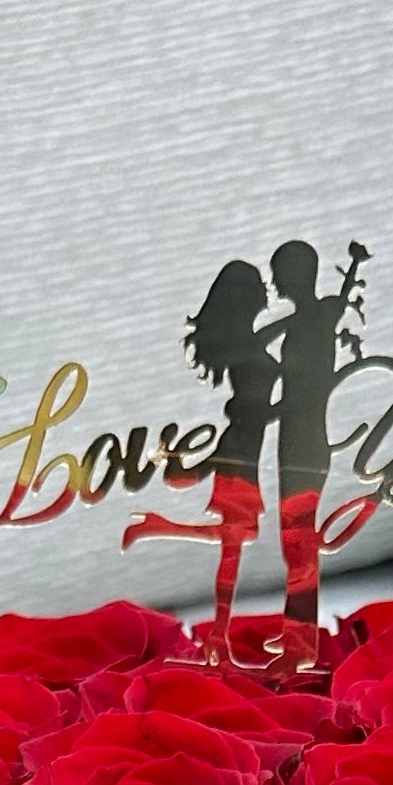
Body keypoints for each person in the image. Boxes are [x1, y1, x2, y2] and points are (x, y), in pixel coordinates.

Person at [122, 257, 278, 640]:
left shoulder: (250, 343)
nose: (266, 290)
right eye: (258, 285)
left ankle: (158, 526)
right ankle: (219, 635)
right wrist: (289, 408)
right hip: (240, 448)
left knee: (238, 538)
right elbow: (252, 411)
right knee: (236, 541)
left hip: (244, 446)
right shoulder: (247, 350)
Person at [264, 237, 365, 642]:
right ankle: (298, 629)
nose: (273, 283)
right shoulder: (310, 317)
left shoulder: (319, 316)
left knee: (298, 538)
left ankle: (302, 636)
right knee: (294, 539)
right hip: (293, 438)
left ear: (294, 275)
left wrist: (259, 412)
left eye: (277, 274)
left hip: (305, 439)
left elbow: (306, 391)